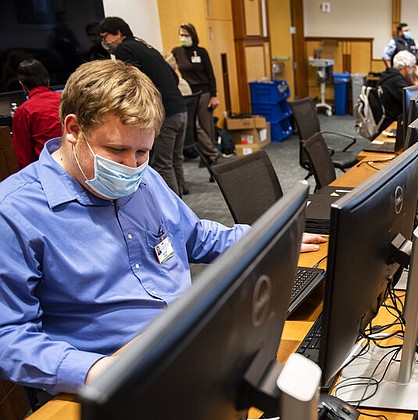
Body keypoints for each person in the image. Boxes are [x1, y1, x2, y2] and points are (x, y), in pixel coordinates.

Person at [0, 60, 325, 396]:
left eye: (142, 152)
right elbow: (7, 336)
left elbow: (196, 237)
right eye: (116, 150)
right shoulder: (15, 212)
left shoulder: (145, 179)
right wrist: (95, 370)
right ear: (72, 129)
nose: (131, 166)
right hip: (112, 379)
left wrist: (269, 238)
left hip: (188, 346)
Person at [98, 16, 189, 197]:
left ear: (117, 33)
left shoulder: (124, 48)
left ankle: (173, 207)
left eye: (105, 36)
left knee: (163, 164)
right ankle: (181, 194)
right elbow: (174, 77)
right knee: (176, 159)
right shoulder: (144, 45)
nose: (103, 42)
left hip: (165, 114)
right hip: (181, 108)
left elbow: (132, 83)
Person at [171, 22, 226, 164]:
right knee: (194, 126)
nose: (183, 38)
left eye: (186, 35)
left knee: (206, 126)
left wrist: (214, 95)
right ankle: (211, 153)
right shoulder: (176, 52)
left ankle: (210, 157)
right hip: (188, 94)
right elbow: (170, 69)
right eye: (181, 35)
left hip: (204, 93)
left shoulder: (201, 52)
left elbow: (210, 75)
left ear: (192, 36)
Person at [11, 59, 62, 169]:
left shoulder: (23, 111)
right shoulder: (66, 98)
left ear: (22, 85)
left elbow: (24, 157)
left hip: (49, 168)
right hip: (78, 163)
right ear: (48, 81)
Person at [377, 50, 415, 134]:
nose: (413, 70)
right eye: (412, 67)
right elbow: (412, 103)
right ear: (407, 67)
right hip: (392, 123)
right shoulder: (397, 81)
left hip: (386, 119)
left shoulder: (388, 75)